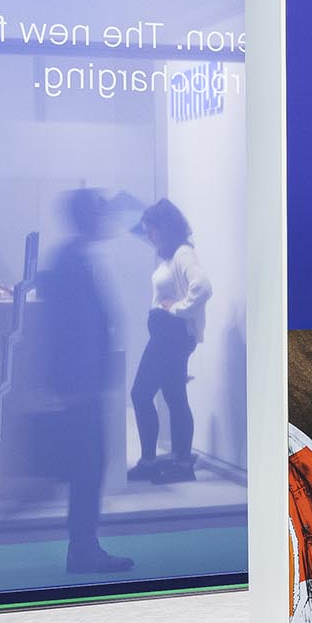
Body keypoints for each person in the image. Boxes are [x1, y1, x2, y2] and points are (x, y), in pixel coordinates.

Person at [38, 189, 133, 573]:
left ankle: (84, 546)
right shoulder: (69, 263)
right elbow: (66, 330)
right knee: (86, 468)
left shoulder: (76, 259)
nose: (104, 219)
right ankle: (83, 549)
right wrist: (73, 386)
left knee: (90, 467)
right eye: (99, 212)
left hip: (85, 385)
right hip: (79, 387)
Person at [130, 198, 212, 483]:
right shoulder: (170, 256)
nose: (148, 235)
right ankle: (169, 462)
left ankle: (172, 463)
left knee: (148, 394)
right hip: (166, 335)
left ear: (164, 227)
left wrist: (177, 309)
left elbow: (203, 287)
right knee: (169, 396)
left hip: (172, 336)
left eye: (151, 229)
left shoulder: (182, 254)